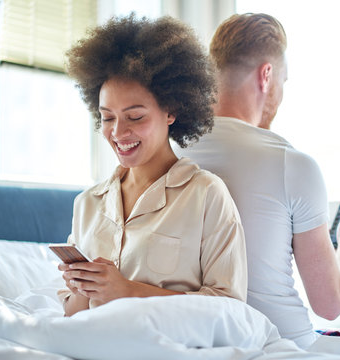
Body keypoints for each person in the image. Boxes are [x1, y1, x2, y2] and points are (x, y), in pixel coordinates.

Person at [174, 13, 340, 349]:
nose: (281, 93)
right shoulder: (292, 163)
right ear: (266, 75)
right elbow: (330, 303)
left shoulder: (167, 151)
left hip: (195, 341)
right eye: (284, 82)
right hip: (285, 343)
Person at [57, 14, 247, 317]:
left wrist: (128, 291)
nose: (118, 133)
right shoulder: (87, 204)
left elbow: (230, 309)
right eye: (108, 118)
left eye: (135, 117)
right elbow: (71, 315)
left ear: (170, 111)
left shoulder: (206, 195)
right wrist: (82, 287)